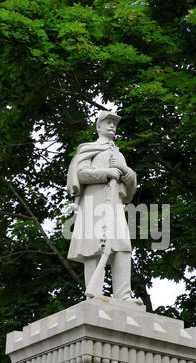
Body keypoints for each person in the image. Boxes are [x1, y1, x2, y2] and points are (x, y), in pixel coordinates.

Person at [66, 111, 142, 305]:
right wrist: (106, 172)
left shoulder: (119, 155)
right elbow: (80, 174)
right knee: (93, 247)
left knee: (123, 246)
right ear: (98, 126)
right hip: (93, 204)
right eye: (108, 122)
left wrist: (124, 170)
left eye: (114, 123)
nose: (112, 126)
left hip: (115, 206)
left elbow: (131, 190)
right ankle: (95, 293)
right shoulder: (89, 148)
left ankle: (124, 296)